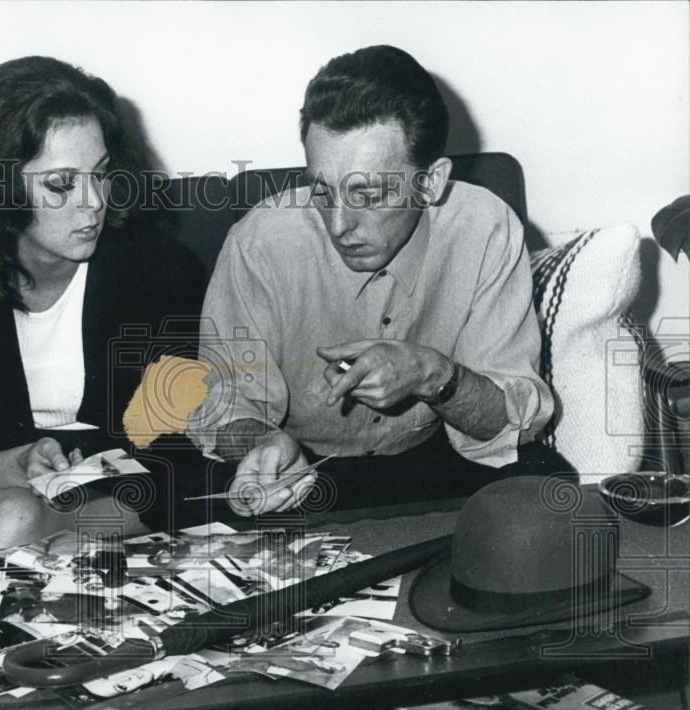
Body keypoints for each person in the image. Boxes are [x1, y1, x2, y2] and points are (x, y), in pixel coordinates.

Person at [191, 45, 571, 516]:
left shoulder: (486, 228)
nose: (338, 225)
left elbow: (512, 421)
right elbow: (224, 403)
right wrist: (263, 442)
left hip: (429, 463)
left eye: (367, 194)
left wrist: (431, 374)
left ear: (431, 183)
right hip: (298, 471)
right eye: (322, 191)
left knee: (551, 491)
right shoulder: (261, 243)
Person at [0, 57, 203, 552]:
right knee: (13, 511)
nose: (94, 202)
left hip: (123, 498)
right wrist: (18, 462)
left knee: (30, 524)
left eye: (101, 174)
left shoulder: (157, 267)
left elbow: (171, 448)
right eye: (60, 184)